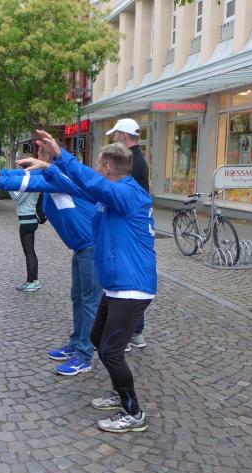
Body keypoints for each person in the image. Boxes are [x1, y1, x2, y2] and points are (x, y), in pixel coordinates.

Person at [22, 131, 157, 433]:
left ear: (107, 168)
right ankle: (119, 392)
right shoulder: (116, 193)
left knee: (110, 351)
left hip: (132, 287)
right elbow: (81, 185)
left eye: (97, 165)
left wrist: (61, 155)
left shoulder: (126, 194)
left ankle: (133, 412)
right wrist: (51, 167)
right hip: (118, 285)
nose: (95, 170)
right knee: (97, 338)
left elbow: (92, 183)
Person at [0, 156, 100, 377]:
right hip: (81, 247)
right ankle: (76, 344)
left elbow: (30, 181)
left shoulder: (63, 178)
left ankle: (84, 356)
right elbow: (26, 175)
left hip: (92, 247)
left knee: (89, 302)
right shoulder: (51, 176)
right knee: (78, 298)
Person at [107, 118, 150, 352]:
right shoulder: (138, 158)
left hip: (130, 224)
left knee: (129, 276)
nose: (114, 139)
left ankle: (129, 332)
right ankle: (134, 332)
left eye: (116, 135)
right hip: (135, 223)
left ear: (123, 135)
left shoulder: (130, 160)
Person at [8, 188, 41, 292]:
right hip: (29, 220)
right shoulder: (29, 184)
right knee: (31, 252)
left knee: (29, 253)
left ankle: (30, 282)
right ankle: (35, 281)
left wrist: (8, 187)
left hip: (27, 221)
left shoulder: (27, 185)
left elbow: (17, 198)